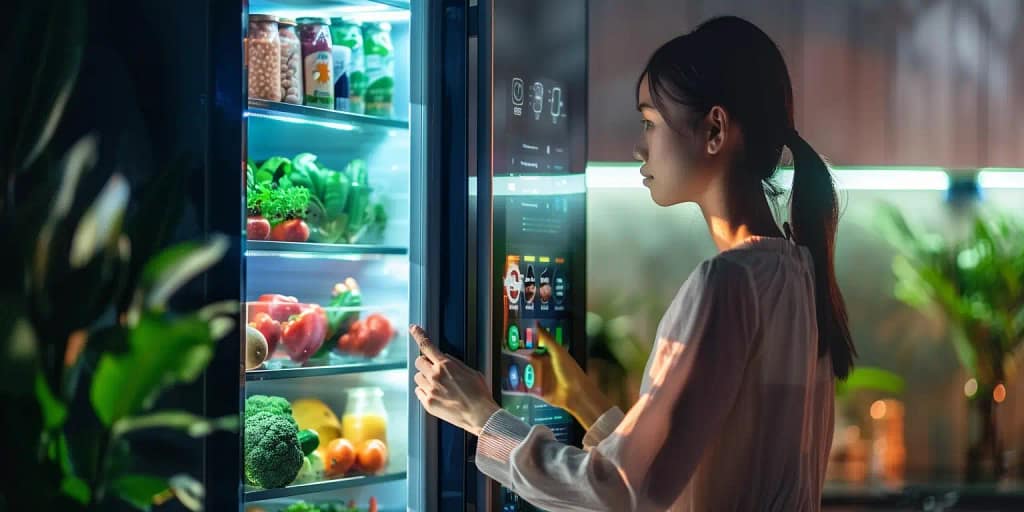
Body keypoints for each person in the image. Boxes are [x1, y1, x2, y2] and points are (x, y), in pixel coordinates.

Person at [408, 15, 856, 512]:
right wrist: (581, 399)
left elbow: (619, 490)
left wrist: (480, 416)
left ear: (714, 129)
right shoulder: (796, 271)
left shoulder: (726, 282)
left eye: (650, 122)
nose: (639, 145)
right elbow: (675, 471)